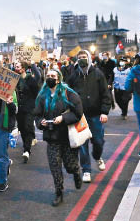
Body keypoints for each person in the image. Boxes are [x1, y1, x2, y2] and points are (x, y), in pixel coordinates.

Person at [34, 69, 83, 206]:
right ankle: (59, 193)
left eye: (53, 76)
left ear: (59, 79)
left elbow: (78, 113)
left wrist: (63, 117)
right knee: (55, 167)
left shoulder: (68, 93)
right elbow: (37, 114)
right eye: (48, 76)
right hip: (51, 137)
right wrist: (40, 122)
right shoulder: (42, 95)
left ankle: (76, 172)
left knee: (70, 166)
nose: (50, 78)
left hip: (67, 137)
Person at [67, 50, 111, 183]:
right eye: (79, 57)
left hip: (96, 115)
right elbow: (68, 94)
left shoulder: (98, 74)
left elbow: (105, 94)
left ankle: (97, 157)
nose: (82, 59)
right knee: (83, 144)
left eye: (84, 57)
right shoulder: (73, 76)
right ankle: (86, 170)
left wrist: (104, 111)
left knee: (98, 141)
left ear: (89, 58)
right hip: (80, 116)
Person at [14, 61, 40, 163]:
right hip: (18, 108)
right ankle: (26, 144)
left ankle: (27, 150)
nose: (16, 68)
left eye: (18, 66)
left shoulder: (31, 80)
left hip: (29, 108)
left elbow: (36, 93)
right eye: (15, 66)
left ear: (23, 68)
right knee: (21, 128)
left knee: (28, 126)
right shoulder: (14, 79)